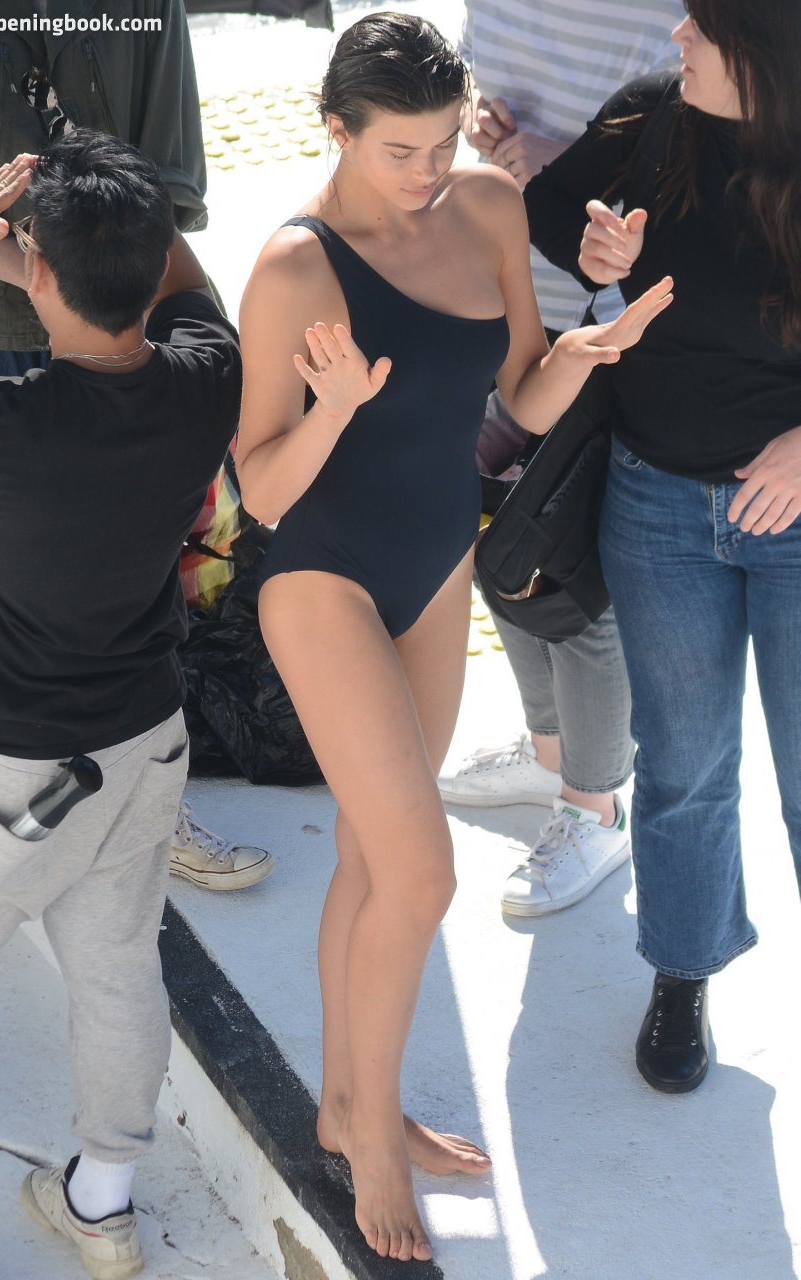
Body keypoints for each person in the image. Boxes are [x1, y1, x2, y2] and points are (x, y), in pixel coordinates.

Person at [234, 12, 673, 1262]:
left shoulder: (484, 205)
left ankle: (343, 1100)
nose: (428, 173)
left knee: (374, 858)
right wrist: (334, 408)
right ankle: (372, 1131)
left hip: (432, 567)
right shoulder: (295, 269)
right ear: (336, 130)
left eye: (440, 144)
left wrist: (586, 345)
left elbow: (520, 392)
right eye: (399, 152)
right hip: (322, 579)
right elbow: (262, 490)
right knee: (421, 871)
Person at [0, 131, 242, 1279]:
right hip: (143, 743)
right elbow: (179, 290)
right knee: (119, 968)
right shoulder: (204, 379)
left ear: (36, 264)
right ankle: (103, 1204)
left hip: (4, 764)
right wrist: (40, 256)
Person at [522, 0, 801, 1092]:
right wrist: (597, 250)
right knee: (682, 767)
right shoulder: (651, 117)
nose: (675, 36)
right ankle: (682, 971)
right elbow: (550, 212)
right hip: (655, 505)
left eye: (701, 25)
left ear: (764, 48)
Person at [0, 0, 273, 890]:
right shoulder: (214, 369)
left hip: (74, 308)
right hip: (16, 312)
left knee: (51, 567)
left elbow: (167, 165)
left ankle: (37, 800)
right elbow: (186, 283)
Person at [438, 0, 685, 920]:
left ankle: (594, 805)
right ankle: (550, 754)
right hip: (489, 286)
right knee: (492, 540)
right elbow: (483, 63)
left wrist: (566, 168)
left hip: (604, 317)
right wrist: (474, 118)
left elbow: (714, 134)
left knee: (575, 580)